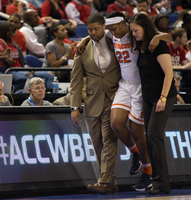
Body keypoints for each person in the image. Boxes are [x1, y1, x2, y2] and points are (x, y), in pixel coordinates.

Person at [77, 11, 173, 191]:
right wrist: (83, 40)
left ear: (124, 23)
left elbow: (168, 36)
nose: (113, 33)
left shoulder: (133, 32)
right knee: (116, 124)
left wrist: (157, 38)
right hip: (124, 85)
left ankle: (147, 173)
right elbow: (94, 35)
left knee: (137, 132)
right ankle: (136, 155)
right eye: (110, 30)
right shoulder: (110, 32)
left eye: (115, 29)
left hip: (140, 87)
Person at [71, 13, 121, 194]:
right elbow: (75, 81)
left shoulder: (115, 42)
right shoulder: (81, 50)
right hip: (91, 102)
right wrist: (75, 107)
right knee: (97, 144)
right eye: (89, 30)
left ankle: (104, 181)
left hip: (114, 98)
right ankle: (110, 182)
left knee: (109, 140)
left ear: (104, 27)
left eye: (96, 29)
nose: (92, 32)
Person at [129, 13, 177, 195]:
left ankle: (160, 183)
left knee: (155, 135)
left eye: (136, 30)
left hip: (163, 95)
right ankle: (159, 182)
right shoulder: (141, 46)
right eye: (132, 31)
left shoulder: (159, 45)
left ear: (145, 27)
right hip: (148, 97)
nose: (133, 34)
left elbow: (169, 74)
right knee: (150, 138)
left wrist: (163, 98)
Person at [0, 21, 28, 90]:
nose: (11, 33)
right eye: (9, 31)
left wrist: (27, 70)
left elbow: (23, 62)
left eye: (12, 31)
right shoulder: (0, 46)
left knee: (34, 80)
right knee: (23, 79)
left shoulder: (16, 46)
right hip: (9, 70)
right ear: (3, 31)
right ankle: (11, 93)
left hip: (20, 69)